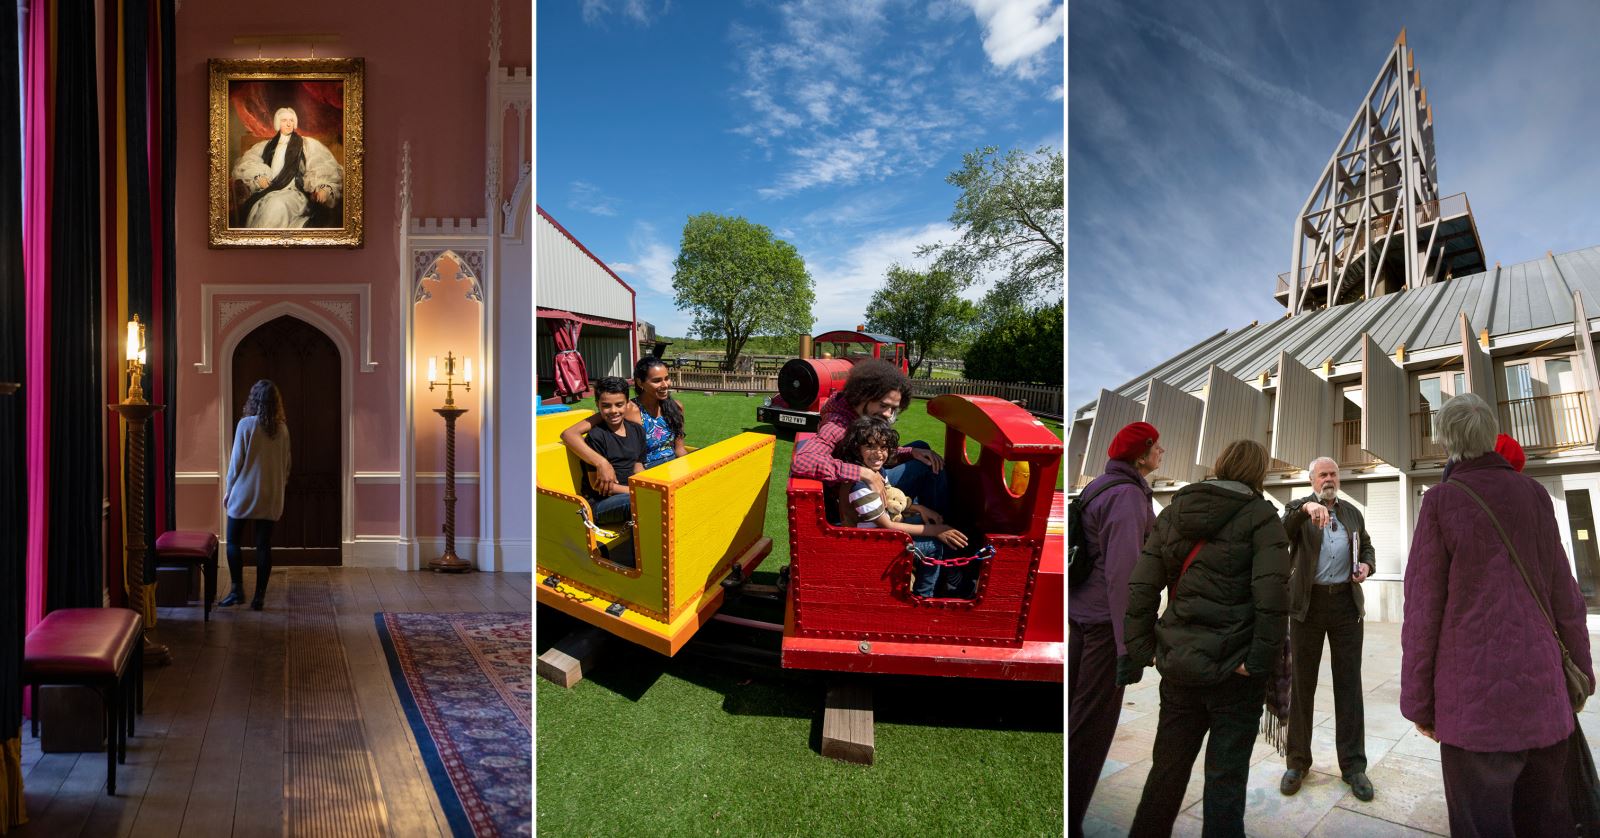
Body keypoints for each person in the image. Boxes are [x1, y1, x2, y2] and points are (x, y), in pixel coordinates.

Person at [1402, 392, 1594, 836]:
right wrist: (1582, 671)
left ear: (1446, 441)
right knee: (1545, 823)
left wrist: (1419, 703)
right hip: (1545, 701)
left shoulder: (1440, 502)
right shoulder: (1536, 496)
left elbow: (1422, 612)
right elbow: (1566, 597)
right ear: (1491, 435)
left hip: (1473, 711)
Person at [1118, 439, 1290, 837]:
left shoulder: (1177, 509)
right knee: (1225, 783)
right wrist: (1259, 663)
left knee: (1166, 772)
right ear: (1258, 472)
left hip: (1181, 664)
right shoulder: (1263, 517)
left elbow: (1142, 585)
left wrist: (1145, 649)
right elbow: (1273, 598)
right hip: (1234, 673)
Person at [1067, 421, 1163, 838]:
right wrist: (1129, 647)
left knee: (1077, 717)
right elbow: (1124, 575)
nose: (1163, 453)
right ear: (1141, 455)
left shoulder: (1101, 486)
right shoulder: (1126, 496)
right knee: (1091, 728)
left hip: (1083, 615)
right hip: (1105, 624)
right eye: (1157, 448)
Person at [1278, 456, 1377, 802]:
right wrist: (1305, 509)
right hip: (1307, 605)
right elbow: (1281, 533)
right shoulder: (1298, 509)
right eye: (1323, 474)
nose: (1329, 478)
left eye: (1334, 473)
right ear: (1312, 480)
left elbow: (1366, 545)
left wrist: (1366, 564)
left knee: (1349, 684)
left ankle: (1353, 766)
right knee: (1303, 685)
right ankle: (1297, 763)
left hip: (1345, 605)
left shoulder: (1351, 512)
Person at [832, 416, 969, 596]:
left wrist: (919, 509)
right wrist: (936, 531)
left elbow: (889, 499)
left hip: (881, 531)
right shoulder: (860, 488)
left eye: (883, 447)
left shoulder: (875, 471)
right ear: (857, 449)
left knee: (935, 523)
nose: (878, 453)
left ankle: (950, 576)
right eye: (870, 446)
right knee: (934, 544)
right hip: (872, 541)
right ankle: (924, 595)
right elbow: (887, 526)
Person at [790, 359, 945, 516]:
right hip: (855, 494)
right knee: (928, 466)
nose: (888, 414)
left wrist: (911, 452)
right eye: (883, 405)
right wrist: (864, 473)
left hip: (865, 471)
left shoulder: (855, 411)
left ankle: (919, 509)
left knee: (921, 447)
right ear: (863, 395)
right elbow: (803, 461)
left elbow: (872, 451)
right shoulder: (838, 424)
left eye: (893, 408)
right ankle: (940, 521)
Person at [559, 358, 687, 494]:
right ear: (640, 382)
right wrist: (601, 462)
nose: (665, 384)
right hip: (648, 470)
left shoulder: (675, 407)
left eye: (666, 378)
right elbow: (569, 434)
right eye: (656, 380)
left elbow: (680, 450)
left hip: (673, 467)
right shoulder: (625, 408)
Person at [221, 379, 292, 611]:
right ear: (276, 402)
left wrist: (228, 490)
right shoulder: (282, 429)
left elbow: (235, 463)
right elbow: (287, 464)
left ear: (254, 400)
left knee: (233, 541)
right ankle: (259, 597)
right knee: (263, 545)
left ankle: (237, 590)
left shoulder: (246, 424)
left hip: (244, 491)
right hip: (271, 493)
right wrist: (279, 486)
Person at [230, 107, 343, 229]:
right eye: (284, 120)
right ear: (278, 123)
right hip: (269, 192)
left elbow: (321, 165)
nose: (289, 124)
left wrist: (323, 187)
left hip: (295, 194)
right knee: (264, 207)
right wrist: (258, 177)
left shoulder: (306, 144)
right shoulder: (266, 146)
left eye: (291, 120)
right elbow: (248, 162)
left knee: (276, 205)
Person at [579, 377, 647, 535]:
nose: (613, 411)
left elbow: (638, 466)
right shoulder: (596, 437)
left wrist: (647, 486)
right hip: (601, 503)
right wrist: (634, 491)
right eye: (606, 406)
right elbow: (597, 485)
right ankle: (638, 559)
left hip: (630, 492)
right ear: (597, 405)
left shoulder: (637, 431)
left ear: (627, 403)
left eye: (619, 404)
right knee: (640, 502)